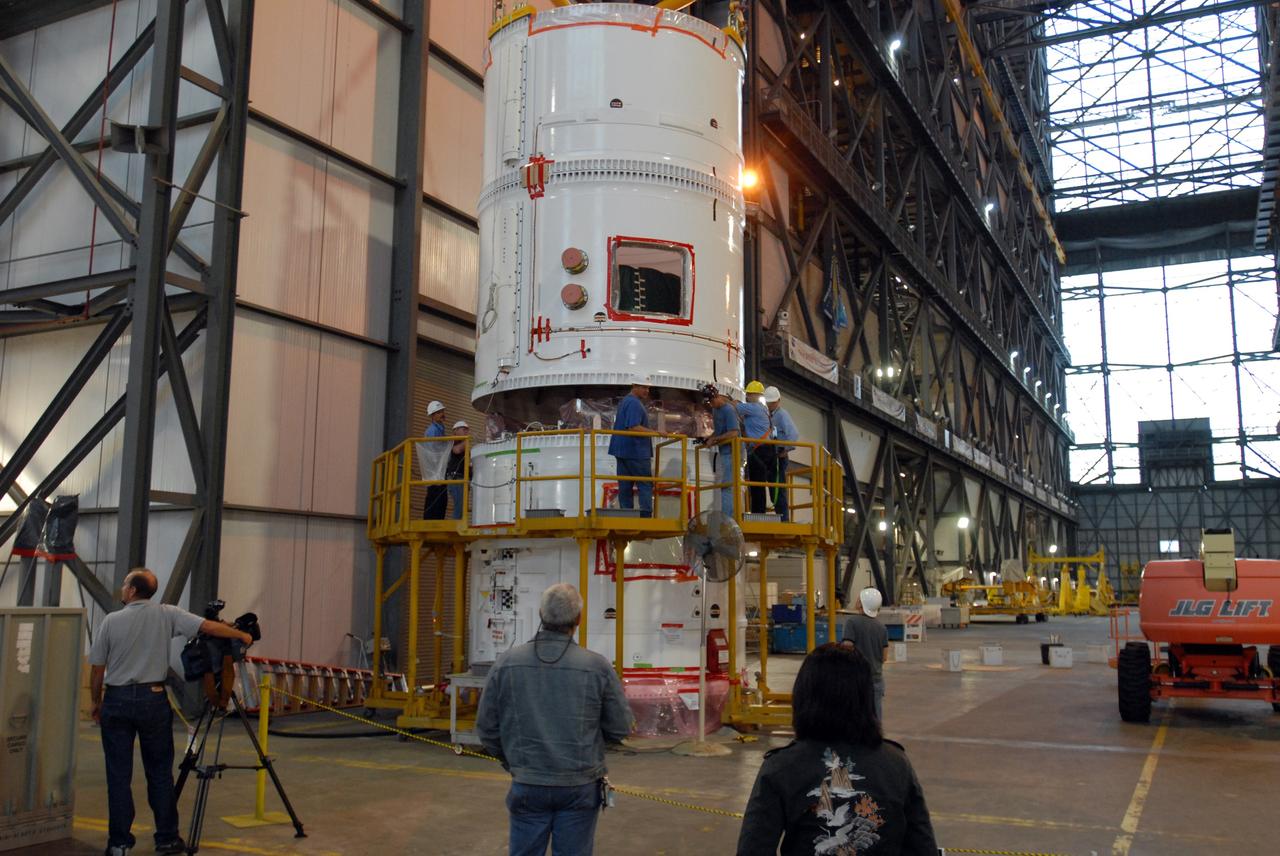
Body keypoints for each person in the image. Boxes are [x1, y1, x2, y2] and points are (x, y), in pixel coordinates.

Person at [88, 568, 254, 856]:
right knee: (159, 772)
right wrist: (241, 634)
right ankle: (166, 839)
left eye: (125, 585)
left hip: (117, 700)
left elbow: (97, 670)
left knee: (118, 775)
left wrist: (96, 702)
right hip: (153, 699)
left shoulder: (111, 622)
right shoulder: (167, 613)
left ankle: (119, 845)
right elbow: (209, 628)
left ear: (131, 590)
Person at [476, 584, 634, 856]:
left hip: (528, 782)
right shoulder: (597, 666)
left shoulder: (506, 663)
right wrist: (590, 748)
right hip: (580, 784)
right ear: (579, 620)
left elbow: (487, 728)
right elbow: (620, 727)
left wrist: (514, 762)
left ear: (540, 614)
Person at [736, 644, 937, 855]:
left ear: (804, 696)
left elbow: (753, 849)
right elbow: (923, 847)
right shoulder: (897, 764)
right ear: (866, 698)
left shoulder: (780, 768)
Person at [609, 375, 657, 517]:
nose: (647, 390)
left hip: (622, 450)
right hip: (636, 451)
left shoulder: (626, 401)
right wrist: (656, 432)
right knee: (645, 483)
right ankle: (645, 517)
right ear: (634, 386)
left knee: (625, 484)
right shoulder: (634, 403)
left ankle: (626, 515)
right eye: (643, 387)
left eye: (648, 387)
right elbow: (633, 427)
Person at [841, 587, 889, 721]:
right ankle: (875, 740)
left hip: (856, 678)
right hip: (876, 679)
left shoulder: (852, 622)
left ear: (862, 603)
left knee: (854, 716)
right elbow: (884, 657)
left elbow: (847, 648)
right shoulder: (882, 628)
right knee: (875, 716)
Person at [702, 384, 741, 517]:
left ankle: (727, 518)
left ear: (717, 396)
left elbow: (734, 432)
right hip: (725, 452)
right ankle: (727, 516)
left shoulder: (728, 410)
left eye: (712, 401)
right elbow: (720, 431)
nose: (711, 405)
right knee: (726, 485)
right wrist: (710, 439)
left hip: (733, 452)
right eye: (709, 403)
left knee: (727, 486)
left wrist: (715, 439)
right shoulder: (716, 410)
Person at [737, 381, 774, 515]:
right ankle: (759, 511)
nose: (747, 396)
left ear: (755, 395)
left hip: (760, 450)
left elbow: (736, 408)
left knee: (757, 483)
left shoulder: (754, 408)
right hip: (765, 449)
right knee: (758, 483)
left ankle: (758, 512)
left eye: (749, 394)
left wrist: (727, 399)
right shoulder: (762, 408)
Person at [764, 386, 799, 522]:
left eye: (772, 402)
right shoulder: (771, 415)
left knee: (778, 488)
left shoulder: (782, 415)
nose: (770, 405)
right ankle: (781, 516)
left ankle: (784, 518)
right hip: (773, 455)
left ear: (778, 401)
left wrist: (786, 450)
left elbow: (794, 434)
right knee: (774, 487)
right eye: (768, 402)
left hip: (779, 455)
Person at [423, 400, 449, 519]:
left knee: (440, 496)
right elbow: (434, 450)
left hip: (439, 469)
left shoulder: (440, 429)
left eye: (442, 411)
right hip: (434, 469)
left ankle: (436, 518)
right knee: (435, 495)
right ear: (433, 416)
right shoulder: (433, 430)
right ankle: (429, 519)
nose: (442, 414)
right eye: (439, 412)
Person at [447, 420, 470, 520]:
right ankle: (455, 527)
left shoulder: (464, 443)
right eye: (463, 429)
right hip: (455, 478)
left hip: (462, 479)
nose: (466, 432)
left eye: (467, 430)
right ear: (455, 431)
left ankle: (458, 525)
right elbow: (456, 450)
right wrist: (466, 442)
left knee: (462, 508)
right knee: (459, 507)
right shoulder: (453, 440)